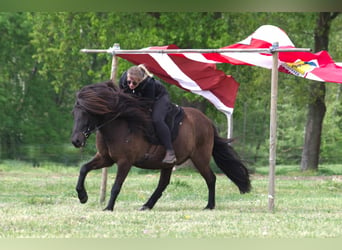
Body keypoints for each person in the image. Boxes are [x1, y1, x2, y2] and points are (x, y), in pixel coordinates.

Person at [119, 65, 177, 164]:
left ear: (141, 80)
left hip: (159, 98)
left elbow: (147, 104)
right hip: (140, 97)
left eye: (134, 83)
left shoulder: (149, 84)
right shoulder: (123, 79)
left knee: (156, 119)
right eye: (129, 82)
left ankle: (170, 151)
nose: (131, 85)